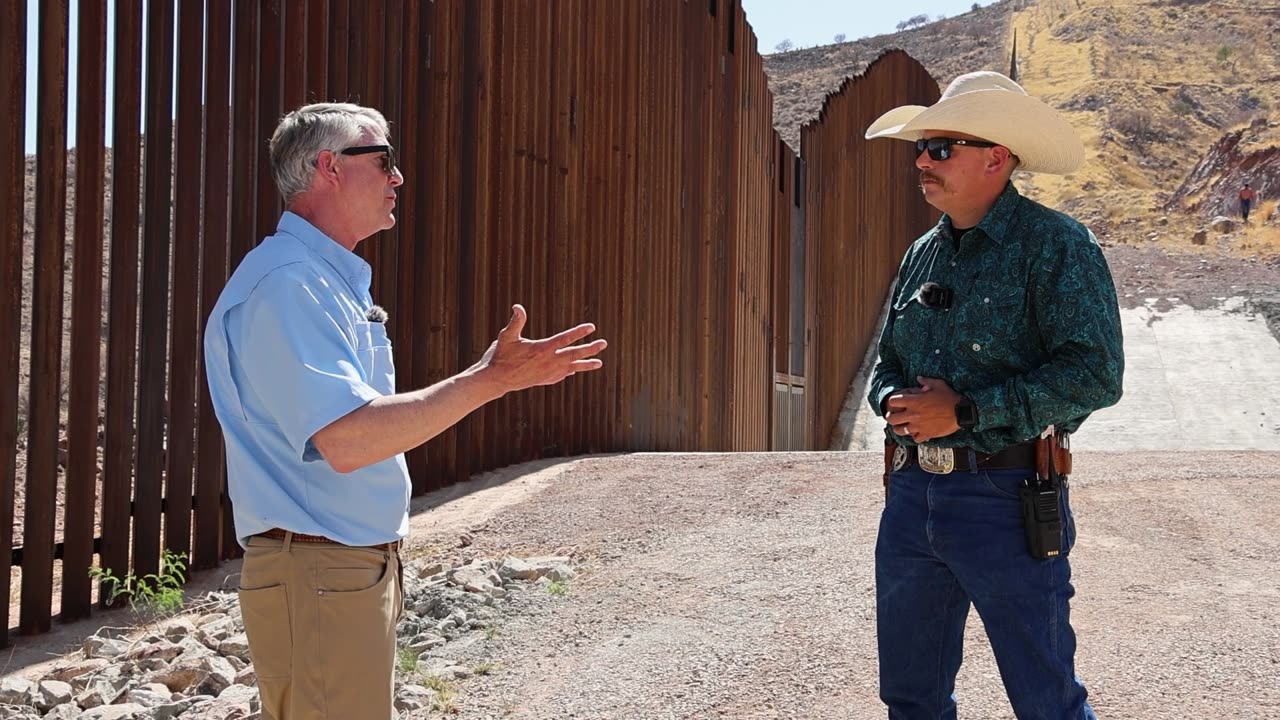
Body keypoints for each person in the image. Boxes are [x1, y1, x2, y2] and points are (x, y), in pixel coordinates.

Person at [203, 102, 607, 719]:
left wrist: (487, 380)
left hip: (339, 569)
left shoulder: (320, 279)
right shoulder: (287, 284)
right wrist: (488, 382)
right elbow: (348, 440)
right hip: (320, 571)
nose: (398, 178)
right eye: (384, 160)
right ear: (328, 167)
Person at [863, 71, 1124, 719]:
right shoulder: (921, 253)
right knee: (911, 696)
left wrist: (968, 413)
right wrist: (898, 405)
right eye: (921, 149)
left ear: (996, 158)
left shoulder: (1058, 246)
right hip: (912, 497)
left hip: (1005, 502)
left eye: (942, 147)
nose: (923, 160)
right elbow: (887, 363)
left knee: (1046, 701)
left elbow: (1095, 374)